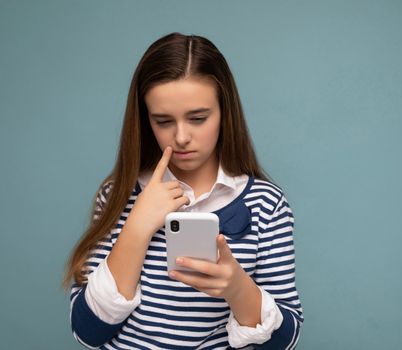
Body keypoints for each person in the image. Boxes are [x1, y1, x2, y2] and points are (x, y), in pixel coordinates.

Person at [62, 32, 303, 349]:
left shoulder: (266, 204)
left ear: (224, 114)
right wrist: (137, 226)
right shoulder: (116, 194)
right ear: (145, 121)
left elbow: (285, 342)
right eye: (163, 121)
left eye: (198, 118)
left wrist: (238, 288)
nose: (181, 137)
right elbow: (87, 333)